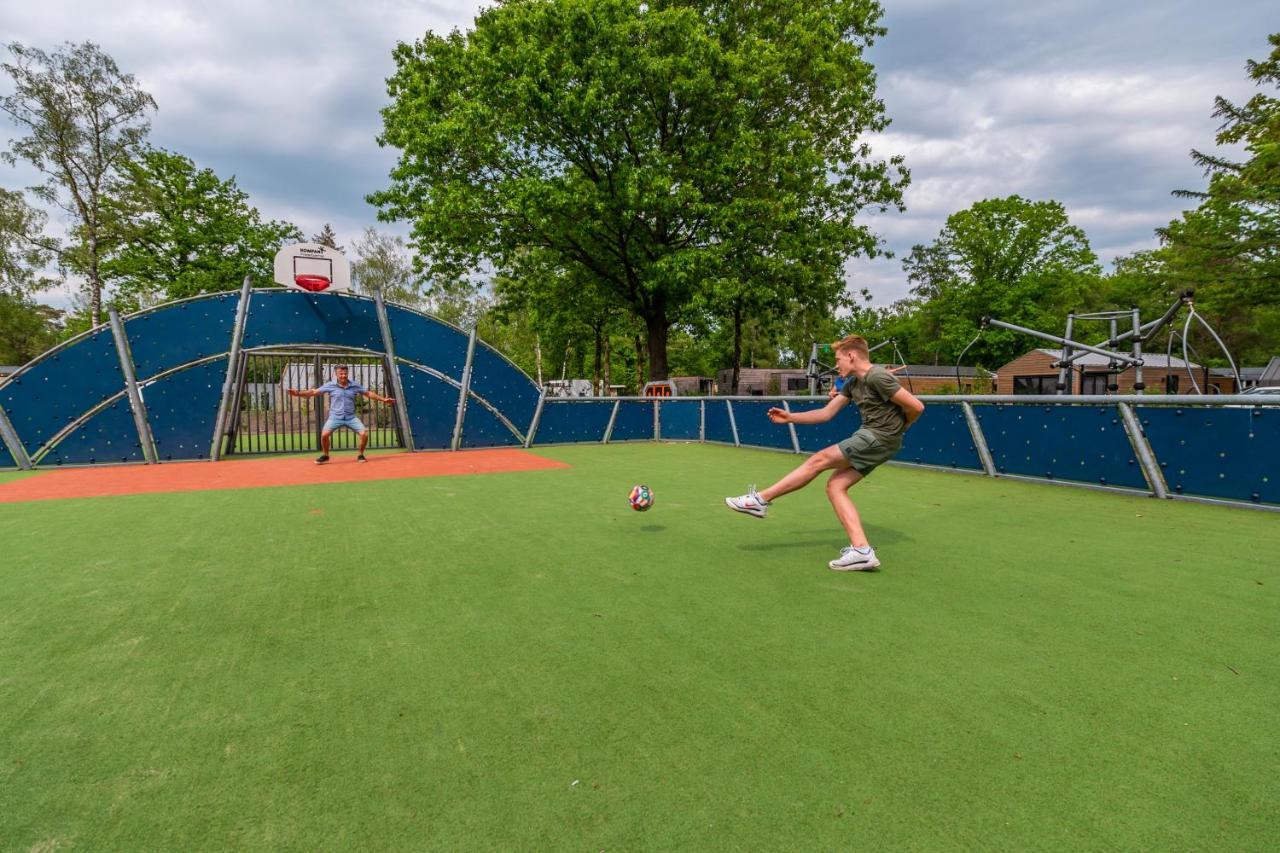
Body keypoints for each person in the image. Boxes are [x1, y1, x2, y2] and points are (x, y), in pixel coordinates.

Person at [725, 335, 925, 571]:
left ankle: (760, 500)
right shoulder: (852, 384)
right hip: (881, 440)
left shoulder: (876, 376)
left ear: (852, 356)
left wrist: (900, 427)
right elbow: (825, 414)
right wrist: (790, 418)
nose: (836, 365)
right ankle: (862, 550)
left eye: (838, 359)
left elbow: (917, 406)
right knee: (835, 486)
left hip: (877, 437)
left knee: (818, 460)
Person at [288, 365, 396, 464]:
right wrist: (297, 393)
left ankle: (360, 454)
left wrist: (384, 399)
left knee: (364, 434)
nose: (343, 375)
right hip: (335, 417)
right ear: (336, 374)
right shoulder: (330, 385)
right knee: (324, 435)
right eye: (341, 373)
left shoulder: (354, 385)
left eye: (345, 373)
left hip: (351, 417)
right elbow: (313, 392)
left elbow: (368, 393)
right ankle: (325, 455)